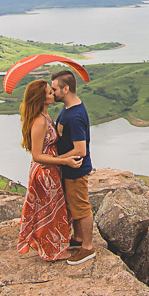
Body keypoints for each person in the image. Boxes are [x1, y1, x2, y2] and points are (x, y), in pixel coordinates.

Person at [17, 79, 82, 261]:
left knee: (54, 211)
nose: (53, 94)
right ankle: (51, 251)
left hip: (52, 169)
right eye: (49, 92)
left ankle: (55, 247)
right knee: (49, 212)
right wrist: (64, 161)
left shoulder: (44, 117)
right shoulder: (39, 121)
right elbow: (37, 155)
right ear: (42, 98)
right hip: (45, 172)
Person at [52, 69, 95, 264]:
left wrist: (58, 159)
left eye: (54, 89)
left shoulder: (75, 116)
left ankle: (87, 248)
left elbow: (80, 150)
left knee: (81, 207)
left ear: (66, 88)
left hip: (76, 169)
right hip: (70, 169)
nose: (52, 93)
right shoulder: (69, 109)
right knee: (75, 207)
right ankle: (78, 239)